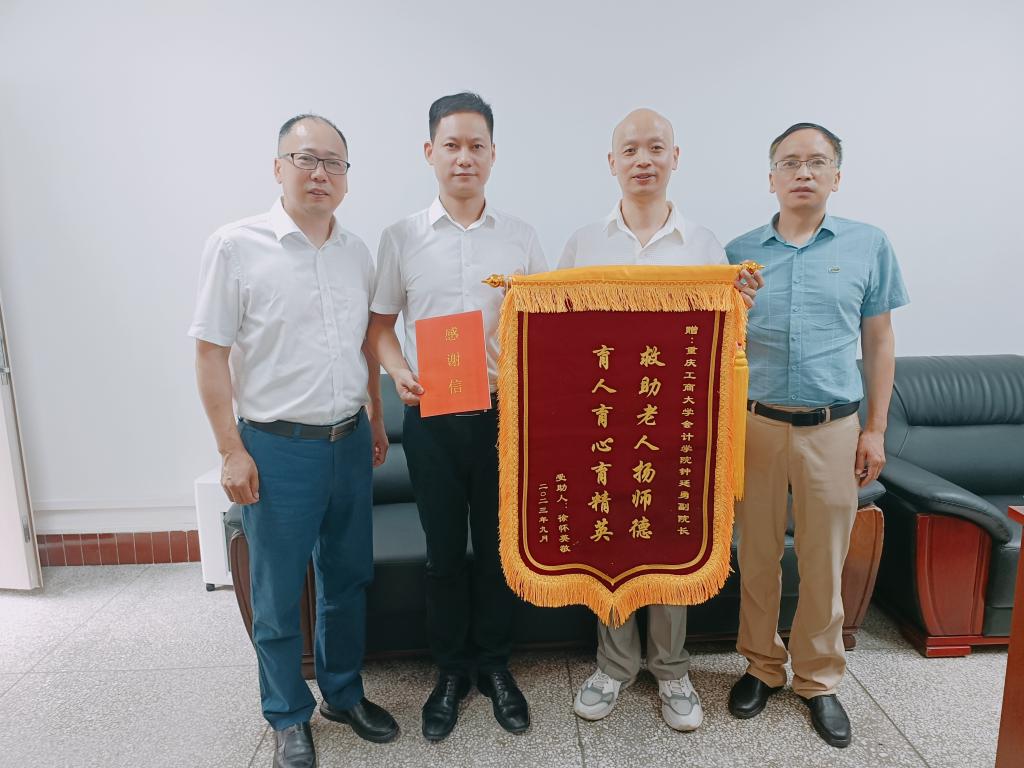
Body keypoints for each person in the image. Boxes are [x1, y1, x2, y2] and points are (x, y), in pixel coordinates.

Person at [190, 114, 398, 768]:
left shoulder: (356, 252)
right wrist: (230, 449)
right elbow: (209, 354)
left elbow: (366, 346)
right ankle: (286, 715)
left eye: (334, 162)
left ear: (346, 178)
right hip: (276, 448)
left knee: (347, 578)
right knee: (278, 593)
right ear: (277, 167)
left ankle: (343, 693)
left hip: (348, 441)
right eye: (306, 159)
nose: (319, 173)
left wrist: (375, 418)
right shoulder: (236, 246)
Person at [560, 108, 761, 731]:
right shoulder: (583, 243)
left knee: (672, 538)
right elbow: (558, 333)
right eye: (630, 150)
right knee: (610, 540)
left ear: (676, 158)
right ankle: (614, 664)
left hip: (678, 424)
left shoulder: (703, 245)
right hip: (602, 424)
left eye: (655, 148)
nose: (642, 160)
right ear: (611, 162)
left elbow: (724, 340)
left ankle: (672, 669)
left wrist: (740, 303)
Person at [367, 92, 547, 742]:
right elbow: (380, 328)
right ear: (430, 152)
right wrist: (397, 371)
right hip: (433, 417)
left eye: (476, 146)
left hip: (503, 418)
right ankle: (449, 673)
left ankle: (495, 667)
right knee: (443, 555)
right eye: (452, 145)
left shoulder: (521, 236)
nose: (464, 157)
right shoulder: (401, 237)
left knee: (499, 553)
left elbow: (545, 326)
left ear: (493, 155)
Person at [725, 122, 909, 748]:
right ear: (771, 178)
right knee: (756, 556)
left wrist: (876, 429)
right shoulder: (739, 255)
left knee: (825, 561)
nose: (803, 172)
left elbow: (879, 341)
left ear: (836, 175)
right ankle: (761, 666)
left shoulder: (868, 244)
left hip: (833, 428)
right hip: (755, 425)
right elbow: (718, 346)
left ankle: (819, 679)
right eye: (789, 162)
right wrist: (734, 306)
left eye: (816, 162)